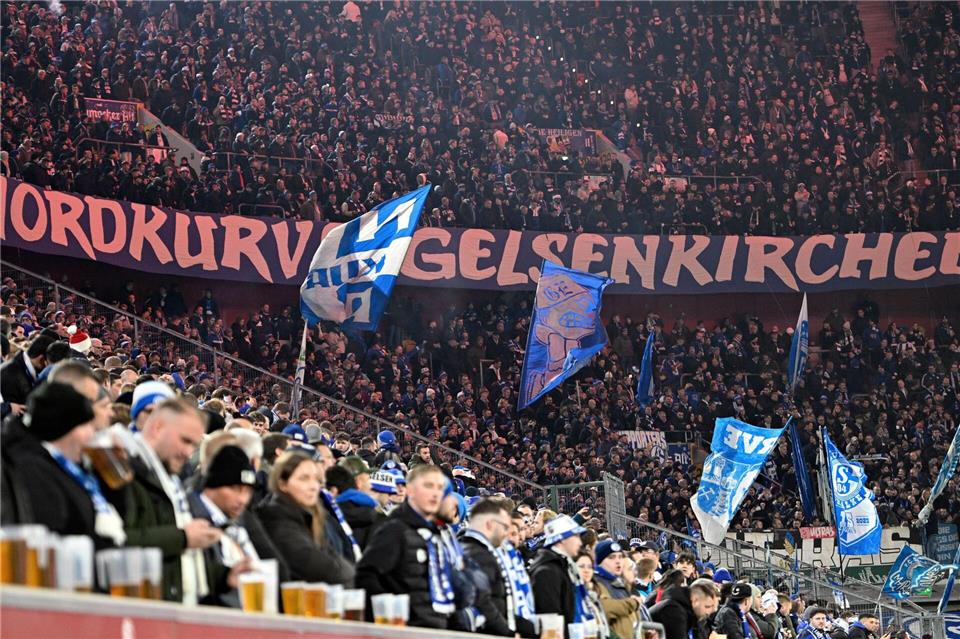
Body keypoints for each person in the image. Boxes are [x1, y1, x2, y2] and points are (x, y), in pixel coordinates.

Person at [108, 398, 222, 603]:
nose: (188, 453)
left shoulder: (170, 479)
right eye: (185, 441)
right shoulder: (122, 471)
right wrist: (182, 537)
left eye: (194, 445)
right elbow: (117, 543)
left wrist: (224, 575)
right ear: (158, 427)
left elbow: (178, 559)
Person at [4, 381, 126, 546]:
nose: (92, 434)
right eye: (86, 425)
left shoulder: (72, 465)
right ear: (67, 427)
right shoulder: (32, 472)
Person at [355, 464, 452, 629]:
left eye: (440, 488)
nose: (436, 493)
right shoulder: (395, 530)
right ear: (410, 490)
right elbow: (365, 576)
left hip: (437, 629)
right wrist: (393, 614)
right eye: (429, 486)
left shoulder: (438, 535)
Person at [188, 445, 286, 607]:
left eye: (247, 491)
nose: (242, 499)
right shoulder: (191, 518)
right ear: (212, 485)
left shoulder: (237, 520)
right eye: (234, 489)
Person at [255, 450, 355, 585]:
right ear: (282, 484)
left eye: (317, 480)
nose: (314, 486)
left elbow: (333, 556)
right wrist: (353, 576)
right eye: (304, 478)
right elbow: (321, 568)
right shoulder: (274, 518)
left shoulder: (310, 516)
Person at [460, 497, 538, 638]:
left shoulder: (479, 551)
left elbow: (500, 604)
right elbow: (483, 604)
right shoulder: (478, 555)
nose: (506, 533)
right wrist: (509, 633)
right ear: (490, 524)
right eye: (505, 527)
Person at [529, 514, 596, 628]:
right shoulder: (547, 572)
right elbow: (551, 619)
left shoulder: (563, 566)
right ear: (561, 540)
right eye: (575, 536)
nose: (580, 542)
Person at [594, 539, 643, 639]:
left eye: (620, 557)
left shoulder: (621, 584)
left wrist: (645, 634)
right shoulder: (595, 582)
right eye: (612, 557)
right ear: (600, 561)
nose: (618, 561)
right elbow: (604, 609)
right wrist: (632, 603)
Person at [650, 578, 721, 639]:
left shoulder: (692, 613)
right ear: (695, 600)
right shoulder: (674, 611)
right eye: (707, 606)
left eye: (714, 609)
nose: (709, 612)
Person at [575, 551, 611, 639]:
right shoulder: (573, 595)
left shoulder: (594, 594)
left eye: (590, 567)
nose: (586, 570)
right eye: (581, 566)